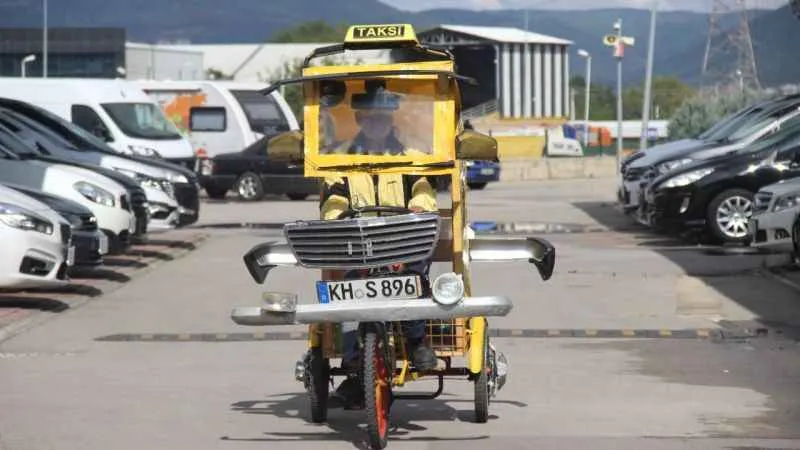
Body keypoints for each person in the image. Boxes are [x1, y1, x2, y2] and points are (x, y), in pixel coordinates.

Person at [320, 80, 439, 409]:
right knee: (349, 286)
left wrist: (420, 207)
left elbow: (424, 190)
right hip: (360, 242)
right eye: (370, 118)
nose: (376, 124)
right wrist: (337, 216)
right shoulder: (340, 160)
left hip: (403, 239)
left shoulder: (410, 158)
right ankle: (355, 363)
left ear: (392, 121)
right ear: (359, 120)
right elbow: (332, 198)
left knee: (415, 273)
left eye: (382, 118)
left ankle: (417, 343)